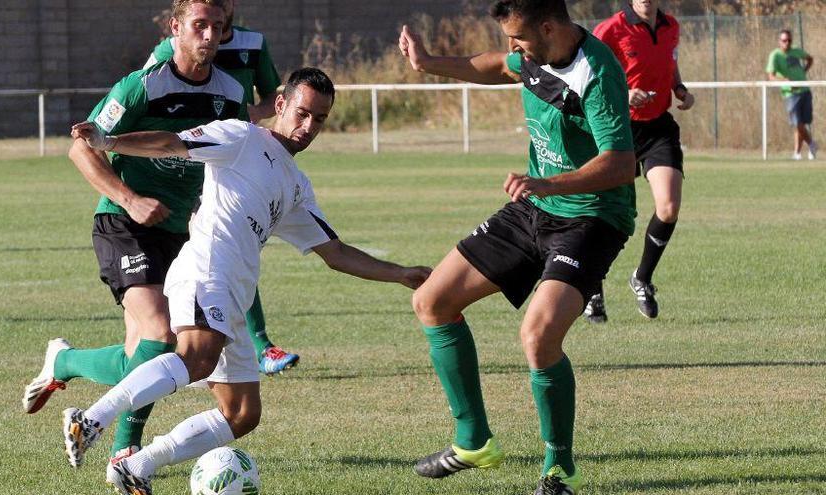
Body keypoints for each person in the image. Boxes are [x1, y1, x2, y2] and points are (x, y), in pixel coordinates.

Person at [63, 68, 432, 495]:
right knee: (195, 358)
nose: (308, 126)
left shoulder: (295, 184)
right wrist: (109, 142)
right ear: (280, 105)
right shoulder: (240, 137)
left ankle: (137, 467)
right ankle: (90, 419)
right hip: (206, 271)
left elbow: (335, 252)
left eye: (320, 119)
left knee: (241, 414)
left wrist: (401, 274)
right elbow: (173, 142)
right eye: (302, 113)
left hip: (233, 296)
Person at [399, 0, 636, 493]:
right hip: (535, 205)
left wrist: (550, 184)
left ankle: (558, 467)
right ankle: (473, 441)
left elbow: (620, 164)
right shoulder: (532, 54)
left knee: (538, 336)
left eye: (520, 38)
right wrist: (429, 64)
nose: (514, 50)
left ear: (549, 27)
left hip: (591, 218)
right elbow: (492, 64)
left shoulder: (597, 73)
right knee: (432, 301)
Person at [21, 0, 242, 479]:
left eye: (217, 28)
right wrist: (128, 198)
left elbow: (226, 153)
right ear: (176, 28)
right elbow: (81, 147)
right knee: (163, 337)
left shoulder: (230, 92)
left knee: (140, 354)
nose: (208, 35)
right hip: (123, 224)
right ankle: (122, 445)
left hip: (180, 231)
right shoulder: (143, 85)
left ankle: (67, 363)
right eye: (199, 25)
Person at [146, 1, 301, 376]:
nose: (210, 33)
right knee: (210, 262)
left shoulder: (252, 42)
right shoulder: (172, 46)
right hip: (190, 159)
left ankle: (259, 346)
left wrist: (249, 115)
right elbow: (151, 91)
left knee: (238, 247)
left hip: (236, 158)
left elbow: (272, 97)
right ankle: (185, 348)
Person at [586, 0, 695, 322]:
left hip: (658, 127)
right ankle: (592, 287)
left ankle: (642, 278)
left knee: (669, 207)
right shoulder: (610, 29)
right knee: (605, 212)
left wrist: (679, 88)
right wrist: (624, 91)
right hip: (617, 127)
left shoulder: (670, 26)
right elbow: (589, 74)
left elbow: (670, 63)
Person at [766, 29, 816, 161]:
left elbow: (810, 59)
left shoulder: (796, 51)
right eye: (784, 40)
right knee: (797, 123)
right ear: (779, 41)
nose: (787, 43)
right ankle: (812, 144)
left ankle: (797, 153)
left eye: (789, 40)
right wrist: (785, 81)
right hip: (791, 93)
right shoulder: (775, 56)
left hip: (804, 90)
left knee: (801, 124)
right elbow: (771, 77)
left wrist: (804, 71)